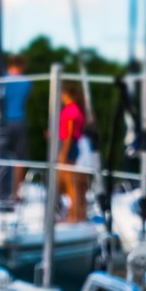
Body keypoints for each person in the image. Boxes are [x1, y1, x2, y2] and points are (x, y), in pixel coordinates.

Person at [56, 82, 88, 223]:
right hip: (73, 145)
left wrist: (63, 153)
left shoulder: (71, 110)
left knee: (70, 184)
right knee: (74, 183)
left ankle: (73, 216)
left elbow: (69, 134)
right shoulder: (77, 109)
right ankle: (78, 214)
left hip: (69, 146)